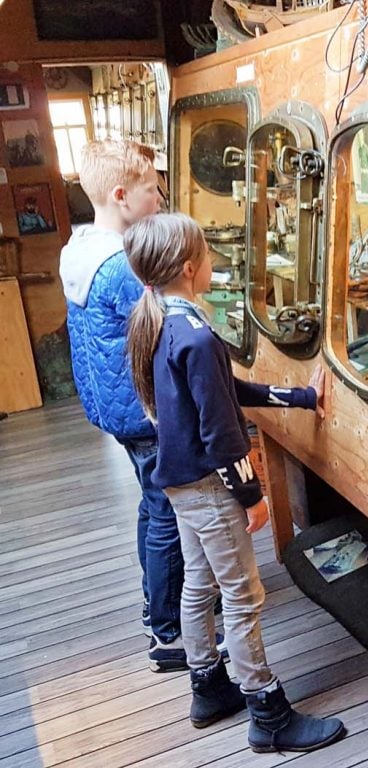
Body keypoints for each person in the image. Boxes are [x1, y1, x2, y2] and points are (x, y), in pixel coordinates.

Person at [124, 212, 346, 751]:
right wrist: (251, 495)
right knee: (244, 595)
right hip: (210, 487)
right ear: (188, 267)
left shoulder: (159, 321)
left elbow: (224, 389)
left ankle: (207, 686)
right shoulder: (195, 335)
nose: (213, 264)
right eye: (207, 255)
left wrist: (298, 397)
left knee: (199, 586)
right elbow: (223, 431)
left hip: (178, 484)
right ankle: (266, 712)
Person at [58, 139, 192, 672]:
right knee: (166, 515)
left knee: (151, 505)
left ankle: (153, 611)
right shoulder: (120, 265)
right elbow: (163, 328)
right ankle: (167, 634)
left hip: (112, 406)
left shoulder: (78, 249)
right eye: (151, 192)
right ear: (121, 196)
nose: (159, 199)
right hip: (144, 411)